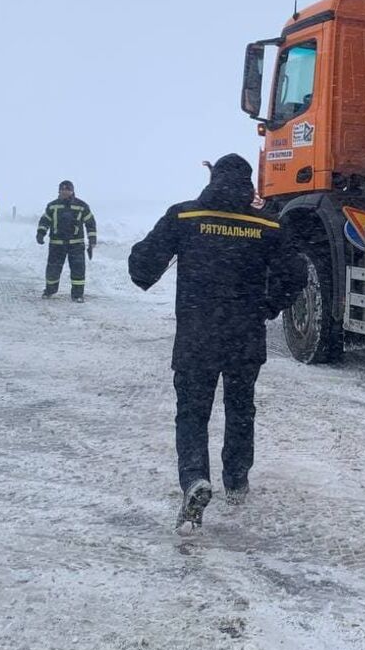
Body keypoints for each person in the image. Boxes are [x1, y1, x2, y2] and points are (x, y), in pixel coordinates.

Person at [128, 154, 305, 534]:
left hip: (197, 335)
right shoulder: (267, 225)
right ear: (248, 184)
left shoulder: (185, 217)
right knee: (240, 408)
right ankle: (237, 481)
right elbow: (296, 274)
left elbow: (143, 267)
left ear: (213, 180)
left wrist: (145, 258)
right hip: (245, 337)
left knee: (192, 412)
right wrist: (268, 306)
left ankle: (195, 478)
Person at [37, 180, 97, 301]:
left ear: (72, 191)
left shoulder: (82, 206)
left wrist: (92, 240)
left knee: (78, 270)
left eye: (67, 189)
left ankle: (77, 295)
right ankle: (50, 291)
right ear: (59, 191)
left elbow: (90, 223)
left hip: (76, 245)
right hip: (56, 244)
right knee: (53, 269)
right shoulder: (52, 206)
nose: (65, 192)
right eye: (62, 189)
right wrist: (41, 233)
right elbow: (45, 221)